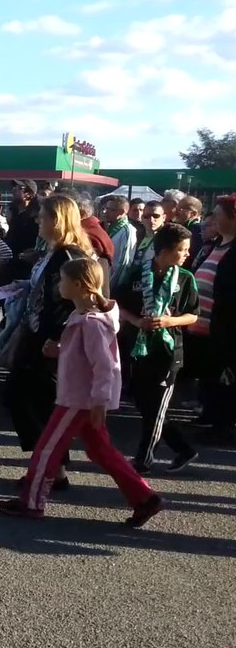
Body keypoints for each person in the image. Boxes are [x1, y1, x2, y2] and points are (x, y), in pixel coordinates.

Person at [0, 257, 164, 527]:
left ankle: (31, 501)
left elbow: (104, 366)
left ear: (78, 285)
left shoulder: (91, 323)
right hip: (84, 397)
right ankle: (145, 497)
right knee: (101, 451)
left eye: (63, 280)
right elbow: (86, 357)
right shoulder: (84, 318)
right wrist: (61, 351)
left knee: (47, 449)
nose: (59, 285)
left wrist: (99, 401)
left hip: (79, 398)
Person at [4, 195, 93, 490]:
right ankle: (53, 467)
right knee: (27, 397)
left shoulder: (69, 256)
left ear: (57, 220)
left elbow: (77, 301)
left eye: (42, 216)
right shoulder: (52, 251)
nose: (37, 221)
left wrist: (59, 339)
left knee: (34, 399)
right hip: (36, 333)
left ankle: (51, 469)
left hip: (50, 339)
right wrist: (26, 287)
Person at [114, 223, 199, 473]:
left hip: (168, 351)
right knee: (145, 403)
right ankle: (183, 449)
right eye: (182, 249)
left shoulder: (185, 278)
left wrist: (169, 321)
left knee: (158, 405)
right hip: (139, 348)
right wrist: (136, 321)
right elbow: (118, 305)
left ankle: (144, 459)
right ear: (164, 251)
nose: (186, 255)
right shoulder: (136, 274)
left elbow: (193, 315)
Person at [188, 197, 236, 444]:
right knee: (210, 374)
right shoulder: (217, 243)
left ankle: (222, 427)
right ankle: (210, 416)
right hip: (206, 324)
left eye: (218, 214)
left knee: (224, 378)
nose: (213, 218)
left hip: (227, 327)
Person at [102, 195, 138, 291]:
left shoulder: (128, 231)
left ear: (122, 212)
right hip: (105, 282)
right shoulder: (110, 228)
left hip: (113, 286)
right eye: (105, 208)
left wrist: (112, 288)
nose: (105, 212)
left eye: (111, 210)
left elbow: (124, 263)